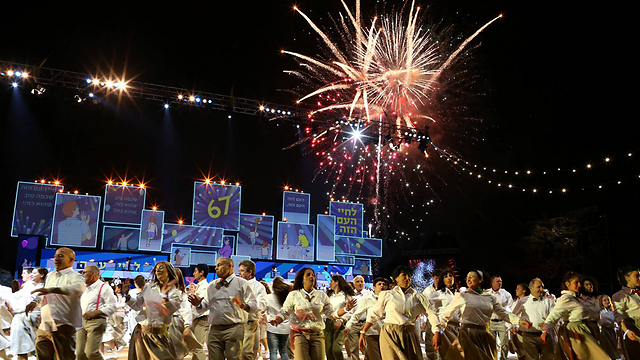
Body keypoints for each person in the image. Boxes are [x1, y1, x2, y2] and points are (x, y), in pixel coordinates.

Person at [437, 270, 530, 360]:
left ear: (480, 279)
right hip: (467, 335)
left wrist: (519, 321)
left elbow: (504, 313)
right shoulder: (463, 295)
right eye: (467, 277)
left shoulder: (490, 298)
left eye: (471, 277)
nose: (468, 279)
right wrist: (438, 331)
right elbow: (446, 314)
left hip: (484, 336)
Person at [273, 267, 353, 360]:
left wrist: (346, 309)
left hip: (317, 335)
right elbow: (285, 311)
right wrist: (277, 320)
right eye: (308, 275)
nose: (311, 276)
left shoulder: (322, 295)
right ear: (302, 279)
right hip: (299, 335)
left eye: (313, 275)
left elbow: (331, 314)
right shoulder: (294, 295)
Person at [363, 265, 439, 360]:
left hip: (409, 334)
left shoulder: (418, 297)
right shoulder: (387, 295)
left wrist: (437, 330)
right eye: (404, 275)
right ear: (396, 278)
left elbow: (431, 313)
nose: (407, 278)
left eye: (409, 276)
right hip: (389, 333)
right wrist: (363, 331)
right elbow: (375, 314)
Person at [188, 257, 257, 360]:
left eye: (219, 265)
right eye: (216, 266)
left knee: (233, 357)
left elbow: (254, 304)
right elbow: (205, 305)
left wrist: (243, 305)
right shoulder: (212, 286)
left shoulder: (241, 283)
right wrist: (197, 304)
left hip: (234, 328)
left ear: (229, 266)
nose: (216, 268)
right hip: (214, 329)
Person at [25, 247, 85, 360]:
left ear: (71, 260)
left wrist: (53, 290)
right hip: (45, 324)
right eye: (56, 256)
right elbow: (45, 292)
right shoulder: (50, 275)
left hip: (64, 324)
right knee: (42, 355)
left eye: (61, 256)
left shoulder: (76, 276)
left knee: (64, 357)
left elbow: (77, 289)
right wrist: (35, 301)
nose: (56, 258)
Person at [541, 271, 610, 360]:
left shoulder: (575, 298)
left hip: (583, 329)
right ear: (567, 284)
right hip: (575, 331)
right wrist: (545, 331)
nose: (579, 285)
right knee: (598, 356)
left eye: (579, 282)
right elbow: (554, 314)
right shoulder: (565, 298)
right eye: (576, 282)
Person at [125, 261, 182, 360]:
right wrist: (127, 296)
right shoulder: (148, 287)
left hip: (160, 335)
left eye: (160, 267)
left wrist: (165, 298)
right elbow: (137, 306)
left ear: (168, 271)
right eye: (156, 269)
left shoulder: (174, 292)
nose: (157, 270)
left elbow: (171, 310)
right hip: (142, 333)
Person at [510, 278, 555, 360]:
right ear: (531, 288)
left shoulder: (548, 301)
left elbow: (555, 317)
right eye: (538, 287)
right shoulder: (523, 301)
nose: (541, 289)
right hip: (529, 336)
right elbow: (513, 315)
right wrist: (517, 324)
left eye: (542, 287)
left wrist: (547, 324)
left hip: (546, 336)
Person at [77, 265, 116, 360]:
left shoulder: (104, 288)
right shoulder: (84, 288)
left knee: (91, 353)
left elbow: (112, 307)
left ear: (93, 274)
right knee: (79, 354)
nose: (82, 275)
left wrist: (96, 312)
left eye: (84, 273)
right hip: (81, 323)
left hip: (96, 322)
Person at [9, 267, 47, 360]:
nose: (32, 275)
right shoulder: (30, 286)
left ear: (41, 275)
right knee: (22, 346)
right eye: (32, 273)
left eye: (35, 273)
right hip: (23, 316)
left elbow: (33, 303)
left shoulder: (42, 288)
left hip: (34, 316)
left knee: (38, 346)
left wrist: (18, 311)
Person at [426, 269, 463, 360]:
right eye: (445, 276)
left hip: (457, 327)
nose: (449, 278)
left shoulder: (458, 294)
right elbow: (427, 306)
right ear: (442, 280)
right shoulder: (437, 294)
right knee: (447, 355)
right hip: (445, 327)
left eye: (451, 276)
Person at [350, 277, 388, 360]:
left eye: (384, 284)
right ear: (374, 287)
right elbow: (357, 314)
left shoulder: (389, 299)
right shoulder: (368, 299)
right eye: (379, 284)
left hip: (386, 334)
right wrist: (348, 326)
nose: (382, 286)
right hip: (372, 334)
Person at [238, 259, 268, 360]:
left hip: (250, 322)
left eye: (242, 271)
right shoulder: (237, 285)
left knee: (249, 353)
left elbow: (262, 304)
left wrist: (248, 307)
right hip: (237, 322)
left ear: (250, 272)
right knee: (245, 353)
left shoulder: (258, 287)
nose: (239, 273)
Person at [325, 274, 356, 360]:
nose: (330, 283)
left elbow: (351, 311)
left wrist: (341, 320)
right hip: (329, 321)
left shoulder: (346, 295)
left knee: (336, 349)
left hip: (341, 323)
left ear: (337, 282)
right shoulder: (329, 295)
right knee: (328, 349)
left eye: (331, 281)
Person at [612, 266, 640, 360]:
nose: (639, 278)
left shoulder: (638, 293)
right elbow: (618, 314)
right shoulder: (620, 295)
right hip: (634, 328)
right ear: (627, 278)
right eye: (636, 276)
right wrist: (626, 331)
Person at [344, 275, 372, 360]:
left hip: (365, 324)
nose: (360, 283)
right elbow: (348, 310)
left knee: (367, 348)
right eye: (358, 281)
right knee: (353, 349)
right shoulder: (350, 295)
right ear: (354, 284)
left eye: (361, 281)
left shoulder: (369, 294)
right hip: (354, 324)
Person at [486, 275, 513, 360]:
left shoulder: (505, 294)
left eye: (501, 281)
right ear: (492, 283)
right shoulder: (487, 293)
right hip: (491, 322)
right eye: (498, 281)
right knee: (490, 343)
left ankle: (503, 358)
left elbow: (510, 306)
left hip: (502, 322)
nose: (500, 283)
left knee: (504, 343)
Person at [265, 277, 291, 360]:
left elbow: (263, 311)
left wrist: (268, 319)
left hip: (273, 327)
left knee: (273, 351)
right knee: (283, 350)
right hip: (286, 328)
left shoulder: (268, 297)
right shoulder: (288, 297)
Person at [188, 264, 210, 360]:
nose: (193, 274)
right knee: (193, 346)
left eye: (195, 271)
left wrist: (192, 297)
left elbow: (201, 304)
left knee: (197, 347)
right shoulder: (199, 286)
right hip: (196, 319)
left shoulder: (205, 286)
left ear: (202, 273)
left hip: (202, 319)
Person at [421, 269, 442, 360]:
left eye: (440, 278)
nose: (438, 280)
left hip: (444, 321)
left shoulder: (446, 290)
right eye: (436, 278)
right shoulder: (427, 291)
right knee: (430, 345)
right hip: (431, 320)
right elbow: (423, 306)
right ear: (433, 278)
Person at [597, 295, 621, 360]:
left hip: (613, 332)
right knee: (608, 349)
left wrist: (615, 327)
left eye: (608, 300)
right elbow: (601, 322)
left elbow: (616, 321)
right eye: (605, 300)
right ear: (601, 302)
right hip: (604, 332)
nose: (607, 301)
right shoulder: (600, 312)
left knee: (614, 349)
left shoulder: (612, 311)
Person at [580, 277, 602, 343]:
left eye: (591, 284)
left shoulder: (595, 299)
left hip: (597, 325)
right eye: (587, 285)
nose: (590, 286)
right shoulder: (580, 300)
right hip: (588, 325)